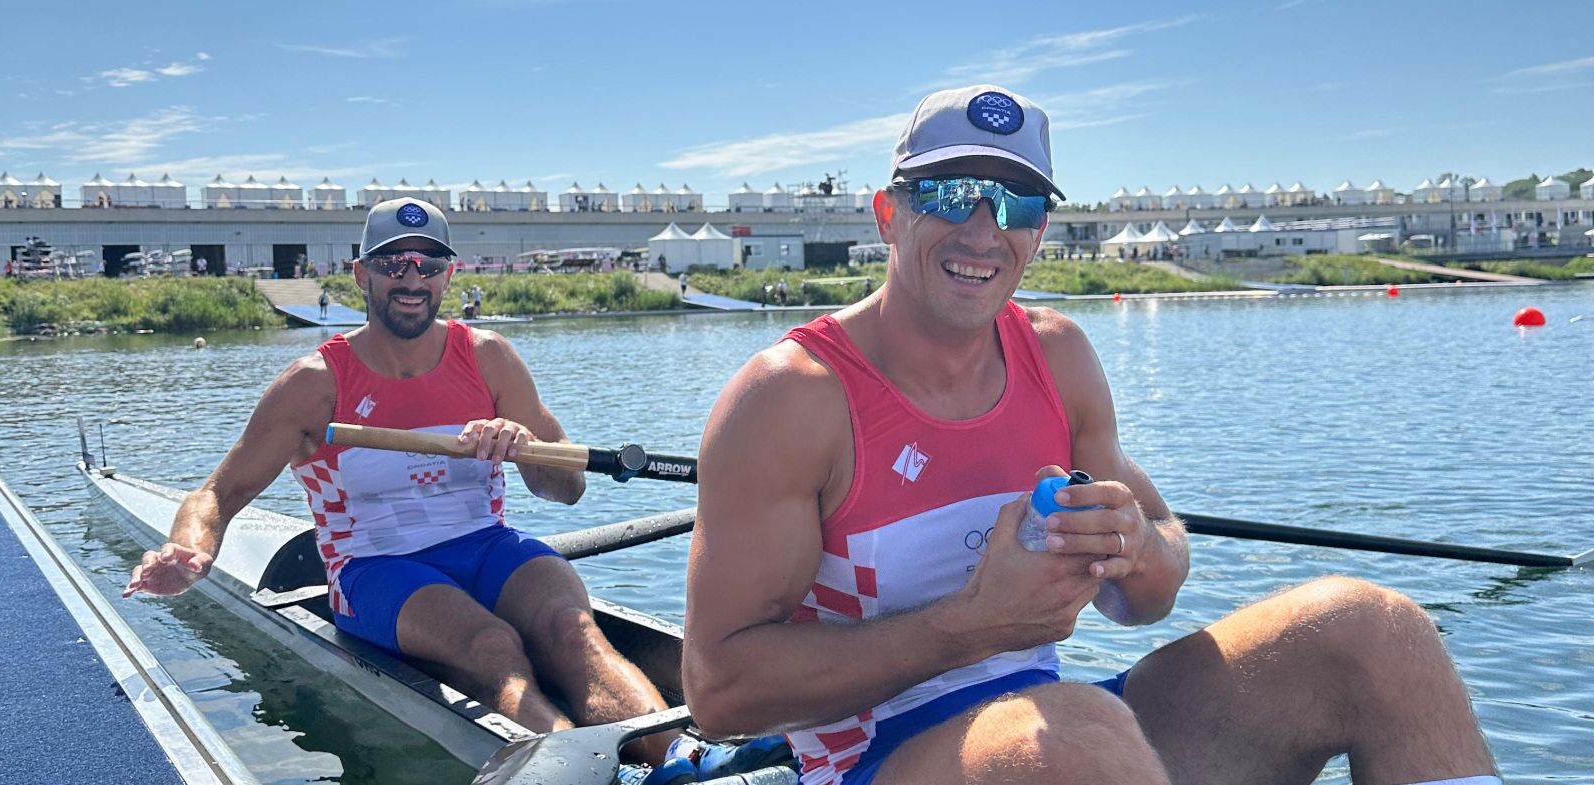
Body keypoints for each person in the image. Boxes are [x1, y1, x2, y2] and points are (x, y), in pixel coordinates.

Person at [683, 85, 1499, 785]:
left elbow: (1153, 584)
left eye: (1017, 204)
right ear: (888, 214)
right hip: (875, 757)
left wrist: (1137, 546)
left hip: (1069, 739)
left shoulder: (1058, 355)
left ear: (1039, 232)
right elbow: (719, 690)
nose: (982, 229)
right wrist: (967, 625)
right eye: (949, 194)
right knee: (1073, 731)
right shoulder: (791, 399)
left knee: (1375, 628)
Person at [122, 198, 720, 784]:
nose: (411, 279)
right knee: (491, 647)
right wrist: (191, 547)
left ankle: (682, 762)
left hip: (488, 546)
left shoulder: (489, 360)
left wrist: (523, 445)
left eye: (428, 265)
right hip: (375, 566)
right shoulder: (313, 385)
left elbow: (566, 490)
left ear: (447, 276)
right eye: (391, 264)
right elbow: (217, 495)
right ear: (361, 274)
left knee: (573, 629)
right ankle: (585, 770)